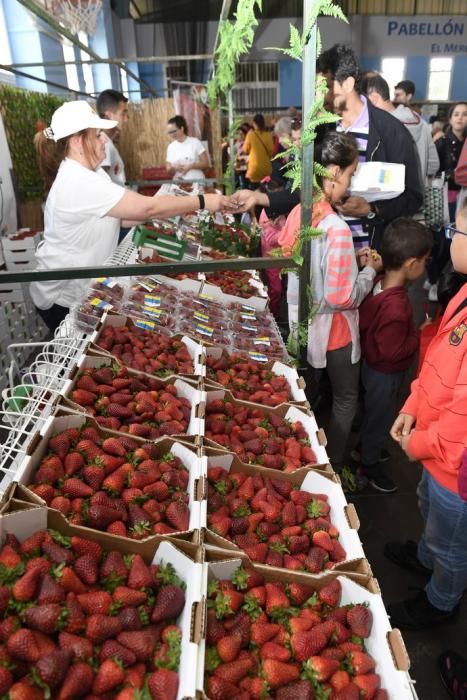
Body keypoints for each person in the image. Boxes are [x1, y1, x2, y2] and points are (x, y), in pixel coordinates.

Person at [31, 101, 230, 332]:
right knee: (75, 355)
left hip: (84, 287)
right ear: (77, 141)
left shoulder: (92, 174)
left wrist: (173, 208)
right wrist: (202, 202)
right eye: (97, 135)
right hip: (62, 297)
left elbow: (124, 217)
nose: (104, 140)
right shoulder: (78, 181)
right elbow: (146, 209)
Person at [385, 195, 467, 630]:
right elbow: (437, 358)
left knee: (453, 542)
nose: (450, 237)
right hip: (434, 450)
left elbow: (463, 418)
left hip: (456, 468)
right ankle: (424, 556)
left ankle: (441, 599)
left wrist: (419, 443)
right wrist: (414, 404)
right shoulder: (464, 294)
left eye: (457, 231)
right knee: (429, 510)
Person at [278, 131, 381, 474]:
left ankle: (309, 454)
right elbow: (341, 296)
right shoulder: (336, 227)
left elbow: (302, 262)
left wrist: (351, 258)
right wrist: (367, 272)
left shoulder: (301, 213)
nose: (349, 184)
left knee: (312, 393)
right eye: (350, 175)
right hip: (334, 331)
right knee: (346, 398)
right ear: (334, 172)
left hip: (303, 323)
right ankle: (332, 464)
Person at [316, 45, 423, 250]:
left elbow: (412, 197)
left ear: (347, 84)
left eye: (325, 88)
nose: (321, 97)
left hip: (372, 253)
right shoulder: (322, 129)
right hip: (327, 249)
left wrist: (371, 209)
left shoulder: (391, 132)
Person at [357, 218, 433, 493]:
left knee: (372, 413)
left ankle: (365, 446)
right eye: (424, 261)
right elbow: (394, 351)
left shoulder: (377, 283)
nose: (425, 266)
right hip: (384, 373)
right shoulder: (398, 307)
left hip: (370, 365)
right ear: (411, 264)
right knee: (380, 417)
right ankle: (369, 464)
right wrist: (419, 334)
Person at [364, 74, 439, 185]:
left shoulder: (382, 127)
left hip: (390, 199)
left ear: (373, 98)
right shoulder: (422, 123)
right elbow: (434, 165)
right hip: (417, 197)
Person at [436, 102, 467, 220]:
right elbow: (432, 173)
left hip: (464, 196)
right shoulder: (441, 142)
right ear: (450, 119)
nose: (460, 117)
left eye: (465, 114)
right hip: (445, 196)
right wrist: (451, 174)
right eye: (456, 114)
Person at [96, 89, 128, 187]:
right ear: (109, 115)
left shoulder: (107, 141)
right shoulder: (103, 144)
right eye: (123, 114)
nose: (126, 119)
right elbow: (102, 185)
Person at [165, 115, 209, 182]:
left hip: (197, 180)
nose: (172, 135)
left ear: (182, 128)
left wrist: (191, 166)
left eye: (174, 131)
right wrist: (174, 168)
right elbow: (168, 168)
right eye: (169, 132)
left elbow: (206, 163)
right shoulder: (171, 147)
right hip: (178, 182)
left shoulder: (195, 142)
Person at [241, 113, 274, 189]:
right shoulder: (269, 135)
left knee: (254, 191)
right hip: (266, 168)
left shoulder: (250, 135)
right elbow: (271, 151)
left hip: (254, 169)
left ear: (254, 123)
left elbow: (245, 150)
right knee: (266, 192)